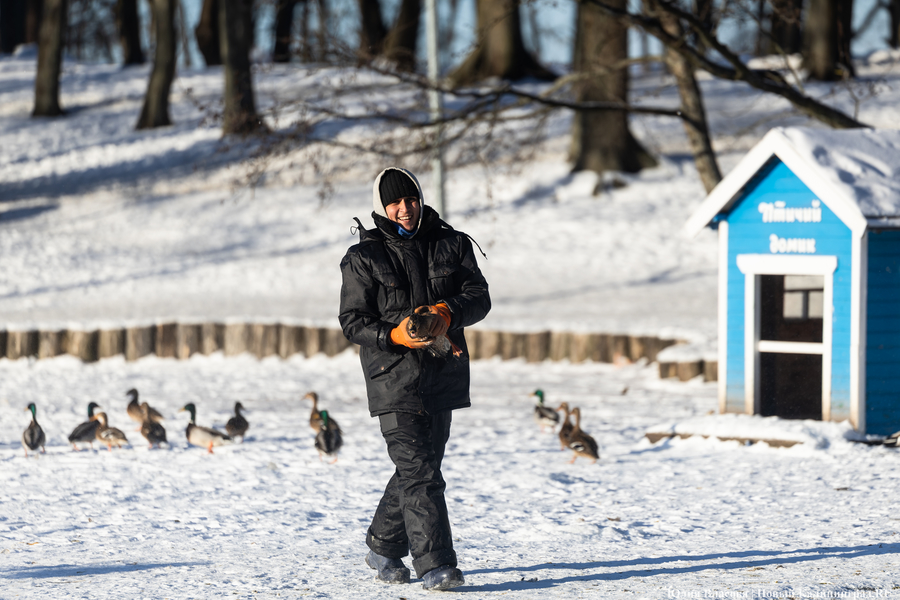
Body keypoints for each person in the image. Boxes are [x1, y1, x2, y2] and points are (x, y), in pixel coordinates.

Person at [339, 167, 491, 591]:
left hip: (443, 373)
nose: (404, 209)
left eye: (410, 199)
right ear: (381, 207)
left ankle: (384, 545)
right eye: (394, 202)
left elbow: (479, 297)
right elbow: (352, 322)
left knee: (420, 468)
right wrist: (392, 335)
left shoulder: (452, 243)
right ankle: (436, 566)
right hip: (393, 378)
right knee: (421, 472)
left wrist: (447, 313)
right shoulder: (362, 258)